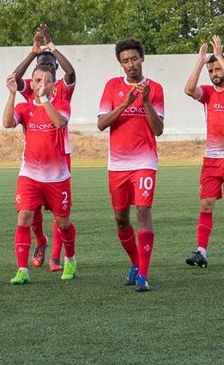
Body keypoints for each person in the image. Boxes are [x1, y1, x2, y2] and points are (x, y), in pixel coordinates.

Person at [97, 38, 164, 292]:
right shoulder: (112, 87)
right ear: (120, 64)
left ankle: (143, 275)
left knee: (143, 211)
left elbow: (158, 130)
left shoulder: (155, 89)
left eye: (134, 59)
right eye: (125, 61)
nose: (130, 65)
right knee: (121, 219)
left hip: (145, 161)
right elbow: (102, 124)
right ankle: (136, 263)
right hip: (118, 164)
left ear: (142, 58)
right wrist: (125, 103)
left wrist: (145, 101)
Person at [3, 65, 77, 284]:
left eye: (46, 80)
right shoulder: (24, 108)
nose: (40, 83)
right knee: (24, 216)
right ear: (31, 83)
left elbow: (59, 123)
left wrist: (45, 100)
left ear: (54, 85)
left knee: (63, 223)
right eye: (36, 80)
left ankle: (70, 259)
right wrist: (12, 94)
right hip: (30, 175)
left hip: (57, 177)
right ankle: (22, 269)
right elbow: (7, 123)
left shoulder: (61, 104)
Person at [183, 36, 224, 268]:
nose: (214, 73)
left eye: (217, 69)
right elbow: (188, 89)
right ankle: (201, 251)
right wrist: (200, 63)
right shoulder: (208, 94)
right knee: (206, 204)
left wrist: (221, 57)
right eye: (211, 70)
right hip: (212, 159)